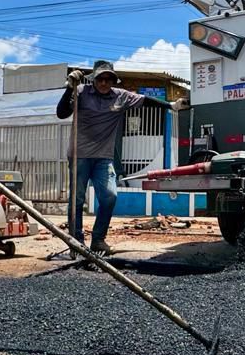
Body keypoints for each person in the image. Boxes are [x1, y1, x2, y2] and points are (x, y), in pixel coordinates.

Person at [55, 61, 186, 256]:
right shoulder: (81, 91)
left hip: (103, 158)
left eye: (108, 79)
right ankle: (76, 241)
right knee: (77, 200)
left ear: (113, 80)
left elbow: (145, 100)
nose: (104, 82)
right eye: (100, 78)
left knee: (109, 197)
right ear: (94, 79)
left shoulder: (120, 96)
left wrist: (171, 105)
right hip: (79, 155)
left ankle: (98, 240)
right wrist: (68, 88)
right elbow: (61, 113)